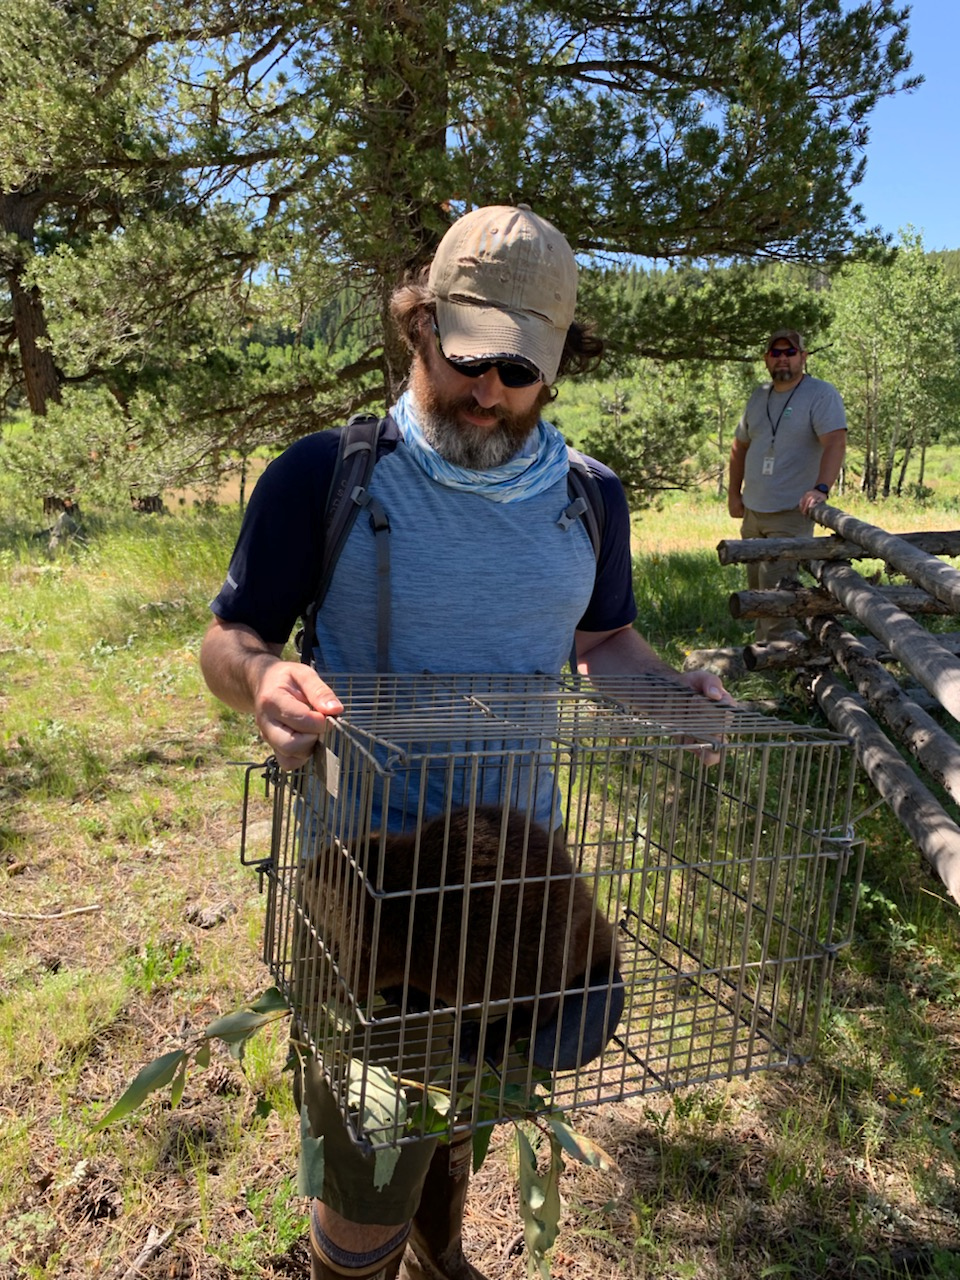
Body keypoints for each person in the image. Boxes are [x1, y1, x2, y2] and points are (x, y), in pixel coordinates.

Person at [200, 204, 730, 1280]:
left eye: (518, 369)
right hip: (367, 889)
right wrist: (262, 678)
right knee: (367, 1158)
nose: (486, 390)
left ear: (557, 366)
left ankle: (444, 1252)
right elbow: (230, 637)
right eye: (465, 354)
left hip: (517, 891)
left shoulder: (590, 498)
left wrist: (675, 697)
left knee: (465, 1112)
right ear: (418, 324)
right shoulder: (326, 474)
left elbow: (606, 640)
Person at [727, 328, 847, 642]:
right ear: (767, 358)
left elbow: (835, 441)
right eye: (776, 353)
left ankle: (784, 660)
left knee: (778, 594)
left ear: (803, 357)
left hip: (789, 511)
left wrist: (820, 489)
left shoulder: (820, 394)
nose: (783, 359)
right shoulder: (759, 394)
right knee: (757, 591)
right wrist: (733, 495)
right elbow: (739, 447)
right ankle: (763, 651)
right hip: (754, 509)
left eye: (790, 352)